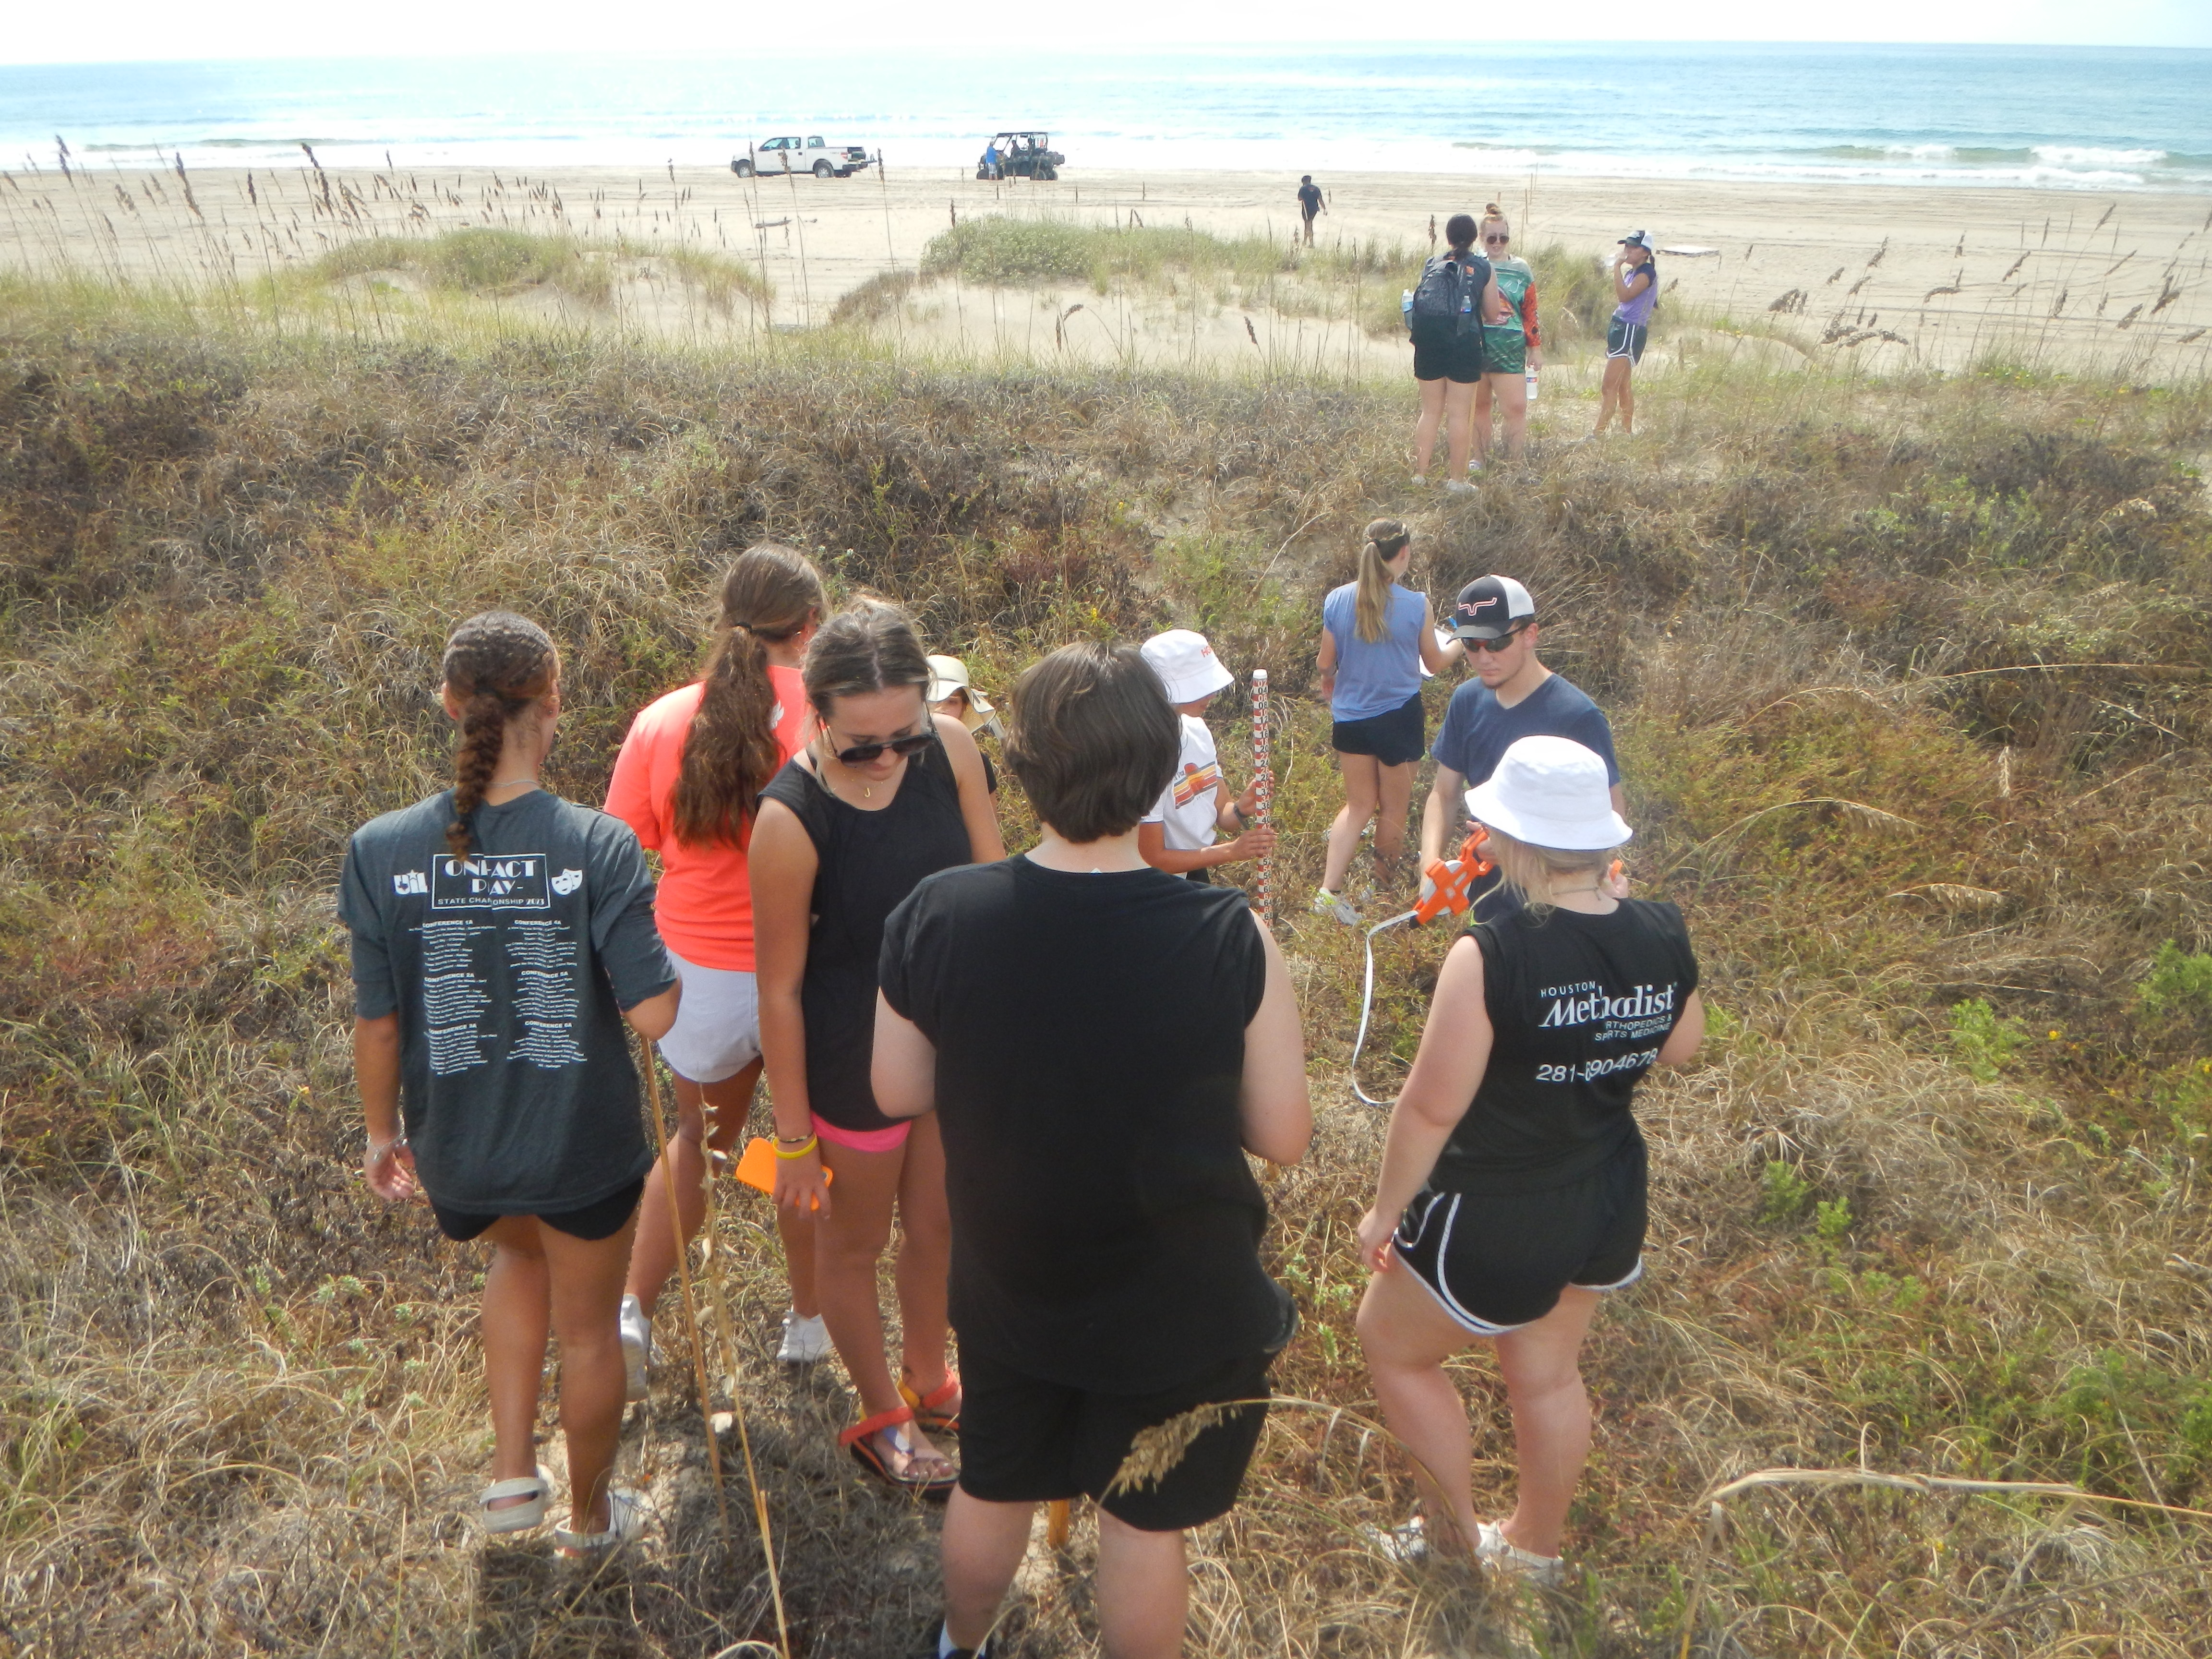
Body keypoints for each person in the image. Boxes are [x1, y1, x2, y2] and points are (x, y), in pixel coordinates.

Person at [872, 640, 1311, 1659]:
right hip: (1177, 1296)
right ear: (1164, 770)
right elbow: (1283, 1137)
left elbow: (896, 1089)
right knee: (1142, 1522)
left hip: (1011, 1278)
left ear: (1019, 769)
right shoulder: (1227, 936)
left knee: (996, 1479)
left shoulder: (939, 914)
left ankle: (962, 1646)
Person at [341, 612, 681, 1553]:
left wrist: (382, 1137)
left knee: (515, 1257)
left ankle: (508, 1481)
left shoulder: (379, 849)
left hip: (462, 1150)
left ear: (451, 707)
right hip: (584, 1149)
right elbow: (654, 1015)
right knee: (587, 1334)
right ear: (555, 704)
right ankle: (589, 1518)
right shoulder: (599, 845)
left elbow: (378, 1022)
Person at [1355, 735, 1703, 1582]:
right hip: (1605, 1193)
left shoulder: (1489, 953)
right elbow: (1683, 1047)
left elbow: (1431, 1106)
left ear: (1504, 838)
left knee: (1392, 1346)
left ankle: (1448, 1544)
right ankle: (1535, 1551)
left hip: (1495, 1206)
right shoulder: (1659, 927)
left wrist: (1385, 1210)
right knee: (1546, 1377)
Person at [751, 600, 1005, 1496]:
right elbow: (777, 989)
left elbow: (990, 892)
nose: (891, 758)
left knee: (937, 1224)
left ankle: (930, 1376)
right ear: (817, 717)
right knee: (852, 1246)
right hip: (850, 1064)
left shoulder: (957, 750)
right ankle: (878, 1416)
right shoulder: (789, 821)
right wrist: (789, 1138)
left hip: (946, 1044)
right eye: (862, 745)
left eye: (908, 736)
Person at [604, 545, 827, 1385]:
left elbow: (622, 850)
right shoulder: (836, 714)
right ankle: (808, 1321)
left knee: (698, 1142)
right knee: (804, 1142)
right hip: (813, 971)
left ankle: (633, 1309)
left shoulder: (666, 720)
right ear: (808, 629)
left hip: (700, 974)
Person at [1419, 575, 1622, 923]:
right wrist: (1430, 865)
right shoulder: (1466, 701)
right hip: (1488, 896)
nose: (1483, 657)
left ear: (1530, 634)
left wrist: (1519, 846)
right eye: (1471, 644)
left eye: (1496, 643)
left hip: (1559, 901)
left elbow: (1611, 814)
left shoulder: (1576, 716)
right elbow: (1444, 792)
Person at [1314, 519, 1464, 924]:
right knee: (1393, 809)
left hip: (1350, 720)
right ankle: (1380, 889)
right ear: (1403, 554)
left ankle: (1329, 892)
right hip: (1398, 718)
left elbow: (1325, 663)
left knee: (1359, 805)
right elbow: (1433, 662)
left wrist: (1331, 681)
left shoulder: (1337, 600)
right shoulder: (1415, 605)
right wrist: (1460, 642)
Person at [1134, 628, 1276, 884]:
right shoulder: (1146, 756)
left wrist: (1241, 809)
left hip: (1194, 872)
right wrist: (1230, 852)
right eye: (1199, 686)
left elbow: (1222, 813)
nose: (1211, 695)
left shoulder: (1197, 730)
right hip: (1154, 885)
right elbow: (1153, 858)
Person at [1408, 213, 1507, 492]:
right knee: (1459, 414)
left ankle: (1419, 475)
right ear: (1476, 238)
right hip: (1464, 344)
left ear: (1448, 238)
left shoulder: (1432, 263)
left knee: (1430, 412)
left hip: (1428, 342)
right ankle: (1457, 480)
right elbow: (1491, 313)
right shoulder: (1483, 267)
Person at [1471, 205, 1541, 466]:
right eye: (1491, 238)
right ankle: (1477, 461)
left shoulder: (1521, 269)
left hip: (1510, 350)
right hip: (1477, 348)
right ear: (1482, 239)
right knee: (1479, 408)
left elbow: (1530, 312)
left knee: (1515, 409)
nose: (1497, 243)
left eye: (1503, 237)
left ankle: (1512, 463)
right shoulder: (1474, 266)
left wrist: (1536, 348)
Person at [1594, 231, 1659, 437]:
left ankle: (1598, 433)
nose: (1628, 251)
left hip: (1630, 330)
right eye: (1627, 247)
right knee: (1623, 385)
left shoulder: (1646, 274)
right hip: (1621, 327)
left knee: (1609, 385)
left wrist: (1616, 268)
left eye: (1633, 248)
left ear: (1645, 252)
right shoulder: (1635, 271)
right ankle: (1626, 432)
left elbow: (1624, 296)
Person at [927, 654, 1001, 794]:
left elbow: (985, 816)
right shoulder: (898, 756)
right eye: (934, 699)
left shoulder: (976, 762)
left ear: (964, 707)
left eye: (952, 702)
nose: (942, 710)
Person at [1297, 175, 1325, 246]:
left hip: (1306, 208)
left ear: (1304, 181)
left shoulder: (1303, 188)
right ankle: (1306, 241)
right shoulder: (1316, 189)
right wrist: (1324, 208)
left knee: (1308, 225)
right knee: (1309, 224)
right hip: (1314, 209)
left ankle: (1311, 243)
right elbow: (1320, 200)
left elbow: (1299, 198)